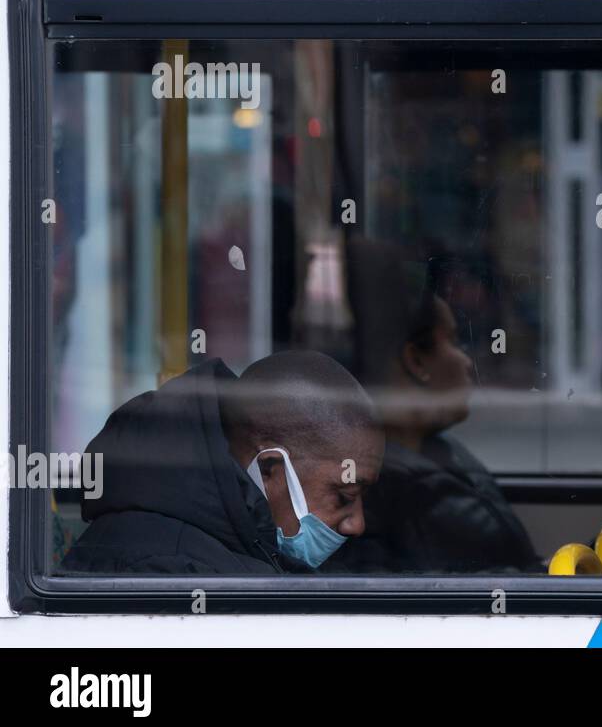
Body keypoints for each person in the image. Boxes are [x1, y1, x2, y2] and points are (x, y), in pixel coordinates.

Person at [325, 239, 540, 574]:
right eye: (453, 341)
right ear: (416, 360)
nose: (467, 361)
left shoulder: (438, 455)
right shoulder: (395, 495)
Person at [62, 351, 383, 574]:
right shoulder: (169, 571)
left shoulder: (231, 548)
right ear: (270, 470)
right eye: (345, 497)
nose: (357, 524)